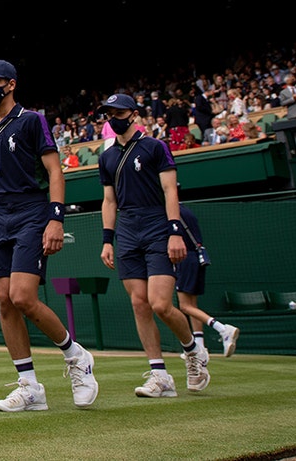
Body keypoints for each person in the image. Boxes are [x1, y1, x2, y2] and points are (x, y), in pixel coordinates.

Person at [0, 59, 98, 412]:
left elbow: (55, 171)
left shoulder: (32, 120)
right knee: (4, 300)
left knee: (23, 296)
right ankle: (29, 386)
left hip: (31, 211)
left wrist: (55, 219)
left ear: (10, 84)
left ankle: (77, 357)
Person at [96, 93, 211, 398]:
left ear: (133, 113)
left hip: (157, 227)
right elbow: (109, 200)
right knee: (139, 303)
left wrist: (175, 232)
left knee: (161, 303)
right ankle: (159, 374)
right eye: (109, 113)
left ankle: (193, 353)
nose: (113, 117)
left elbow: (170, 190)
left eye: (117, 112)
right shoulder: (106, 157)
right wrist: (108, 239)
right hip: (128, 231)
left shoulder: (155, 147)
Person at [172, 203, 240, 358]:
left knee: (185, 306)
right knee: (192, 305)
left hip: (184, 258)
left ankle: (223, 329)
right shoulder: (187, 211)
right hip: (198, 257)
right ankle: (201, 347)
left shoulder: (173, 213)